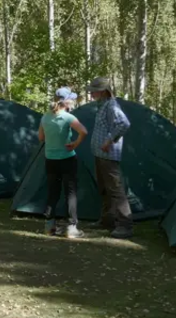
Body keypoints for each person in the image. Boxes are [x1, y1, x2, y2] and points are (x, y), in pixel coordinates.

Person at [38, 87, 88, 239]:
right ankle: (71, 229)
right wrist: (75, 144)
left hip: (50, 160)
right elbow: (84, 131)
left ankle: (49, 227)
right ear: (65, 101)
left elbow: (41, 138)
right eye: (71, 99)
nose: (72, 101)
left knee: (53, 191)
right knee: (70, 193)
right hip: (67, 159)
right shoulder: (68, 117)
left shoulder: (45, 117)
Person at [87, 76, 133, 239]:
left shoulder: (111, 105)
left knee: (115, 189)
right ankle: (107, 220)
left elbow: (124, 124)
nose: (91, 94)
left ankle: (125, 225)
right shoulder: (102, 105)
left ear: (102, 91)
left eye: (94, 91)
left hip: (108, 155)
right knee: (104, 188)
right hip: (99, 154)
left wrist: (109, 140)